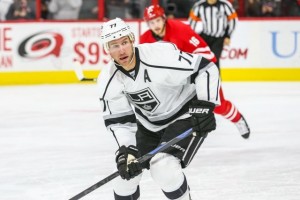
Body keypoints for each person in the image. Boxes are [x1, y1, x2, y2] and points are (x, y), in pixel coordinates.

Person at [97, 17, 220, 200]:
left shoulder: (159, 54)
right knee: (125, 178)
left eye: (124, 42)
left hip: (185, 116)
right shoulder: (108, 79)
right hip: (149, 125)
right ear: (107, 49)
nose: (121, 49)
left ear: (132, 40)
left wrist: (205, 105)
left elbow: (206, 69)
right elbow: (121, 122)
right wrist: (127, 151)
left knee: (163, 167)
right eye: (114, 45)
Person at [141, 4, 250, 139]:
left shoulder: (180, 29)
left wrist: (200, 75)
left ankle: (238, 119)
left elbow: (205, 52)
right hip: (176, 79)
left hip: (201, 71)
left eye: (158, 20)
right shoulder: (145, 40)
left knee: (218, 105)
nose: (155, 25)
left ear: (164, 19)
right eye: (151, 22)